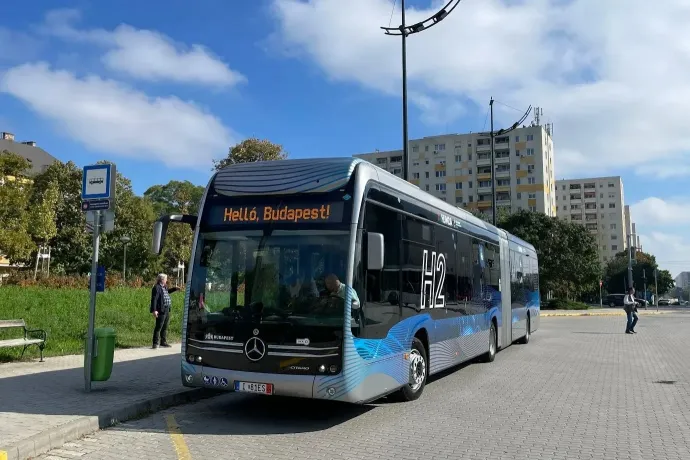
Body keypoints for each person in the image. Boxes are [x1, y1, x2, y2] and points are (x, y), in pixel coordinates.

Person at [151, 273, 181, 348]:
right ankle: (155, 343)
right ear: (162, 280)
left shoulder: (164, 287)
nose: (166, 280)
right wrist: (154, 310)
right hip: (161, 309)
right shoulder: (156, 287)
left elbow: (167, 292)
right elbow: (154, 299)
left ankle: (163, 342)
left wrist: (175, 289)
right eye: (166, 279)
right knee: (159, 326)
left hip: (167, 309)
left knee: (165, 326)